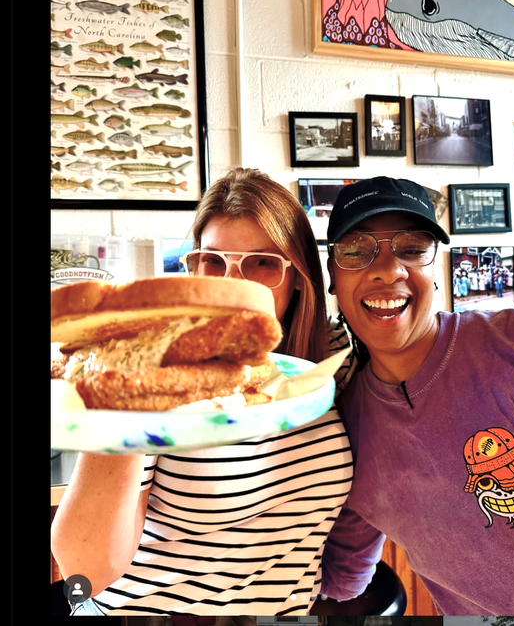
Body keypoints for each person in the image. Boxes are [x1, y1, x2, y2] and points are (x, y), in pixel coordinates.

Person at [52, 168, 356, 616]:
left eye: (263, 262)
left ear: (297, 277)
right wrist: (128, 404)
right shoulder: (161, 375)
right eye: (214, 261)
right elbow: (86, 569)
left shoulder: (332, 355)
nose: (233, 285)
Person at [316, 176, 514, 615]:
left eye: (412, 248)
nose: (388, 269)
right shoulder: (343, 431)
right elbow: (339, 576)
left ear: (436, 268)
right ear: (332, 278)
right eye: (356, 250)